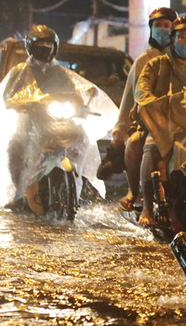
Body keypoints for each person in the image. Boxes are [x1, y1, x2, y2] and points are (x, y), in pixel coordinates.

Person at [1, 25, 117, 209]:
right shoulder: (21, 71)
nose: (45, 48)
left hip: (57, 121)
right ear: (31, 47)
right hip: (29, 122)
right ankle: (18, 190)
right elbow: (8, 97)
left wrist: (82, 107)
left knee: (83, 139)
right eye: (40, 44)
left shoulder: (61, 73)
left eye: (49, 44)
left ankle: (78, 184)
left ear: (55, 47)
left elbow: (75, 94)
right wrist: (23, 104)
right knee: (16, 145)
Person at [135, 15, 186, 229]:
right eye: (183, 37)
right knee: (150, 148)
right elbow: (142, 93)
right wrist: (163, 105)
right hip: (164, 125)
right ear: (173, 40)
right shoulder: (156, 65)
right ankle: (147, 205)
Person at [100, 7, 178, 212]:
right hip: (150, 122)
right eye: (158, 26)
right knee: (134, 145)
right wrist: (119, 136)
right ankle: (135, 192)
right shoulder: (143, 61)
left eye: (167, 26)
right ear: (151, 29)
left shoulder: (184, 59)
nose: (163, 30)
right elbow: (129, 101)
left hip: (181, 120)